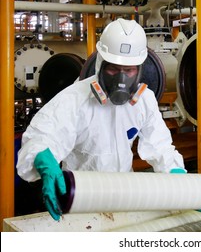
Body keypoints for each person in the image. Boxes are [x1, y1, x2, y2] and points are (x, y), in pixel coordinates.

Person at [16, 19, 186, 221]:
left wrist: (182, 184)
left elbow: (160, 148)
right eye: (113, 69)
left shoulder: (145, 100)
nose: (121, 81)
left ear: (140, 69)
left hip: (125, 198)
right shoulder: (74, 100)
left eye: (129, 70)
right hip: (80, 200)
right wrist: (44, 161)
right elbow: (42, 138)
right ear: (100, 64)